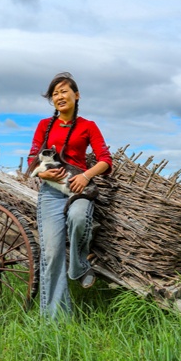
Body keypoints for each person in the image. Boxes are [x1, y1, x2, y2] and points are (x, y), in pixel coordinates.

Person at [28, 72, 112, 318]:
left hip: (78, 189)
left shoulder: (88, 126)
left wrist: (86, 176)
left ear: (77, 95)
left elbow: (105, 160)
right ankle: (55, 320)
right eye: (54, 94)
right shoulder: (45, 125)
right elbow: (33, 158)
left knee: (78, 218)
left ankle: (79, 266)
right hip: (51, 193)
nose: (59, 97)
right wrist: (44, 175)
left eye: (64, 91)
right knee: (52, 253)